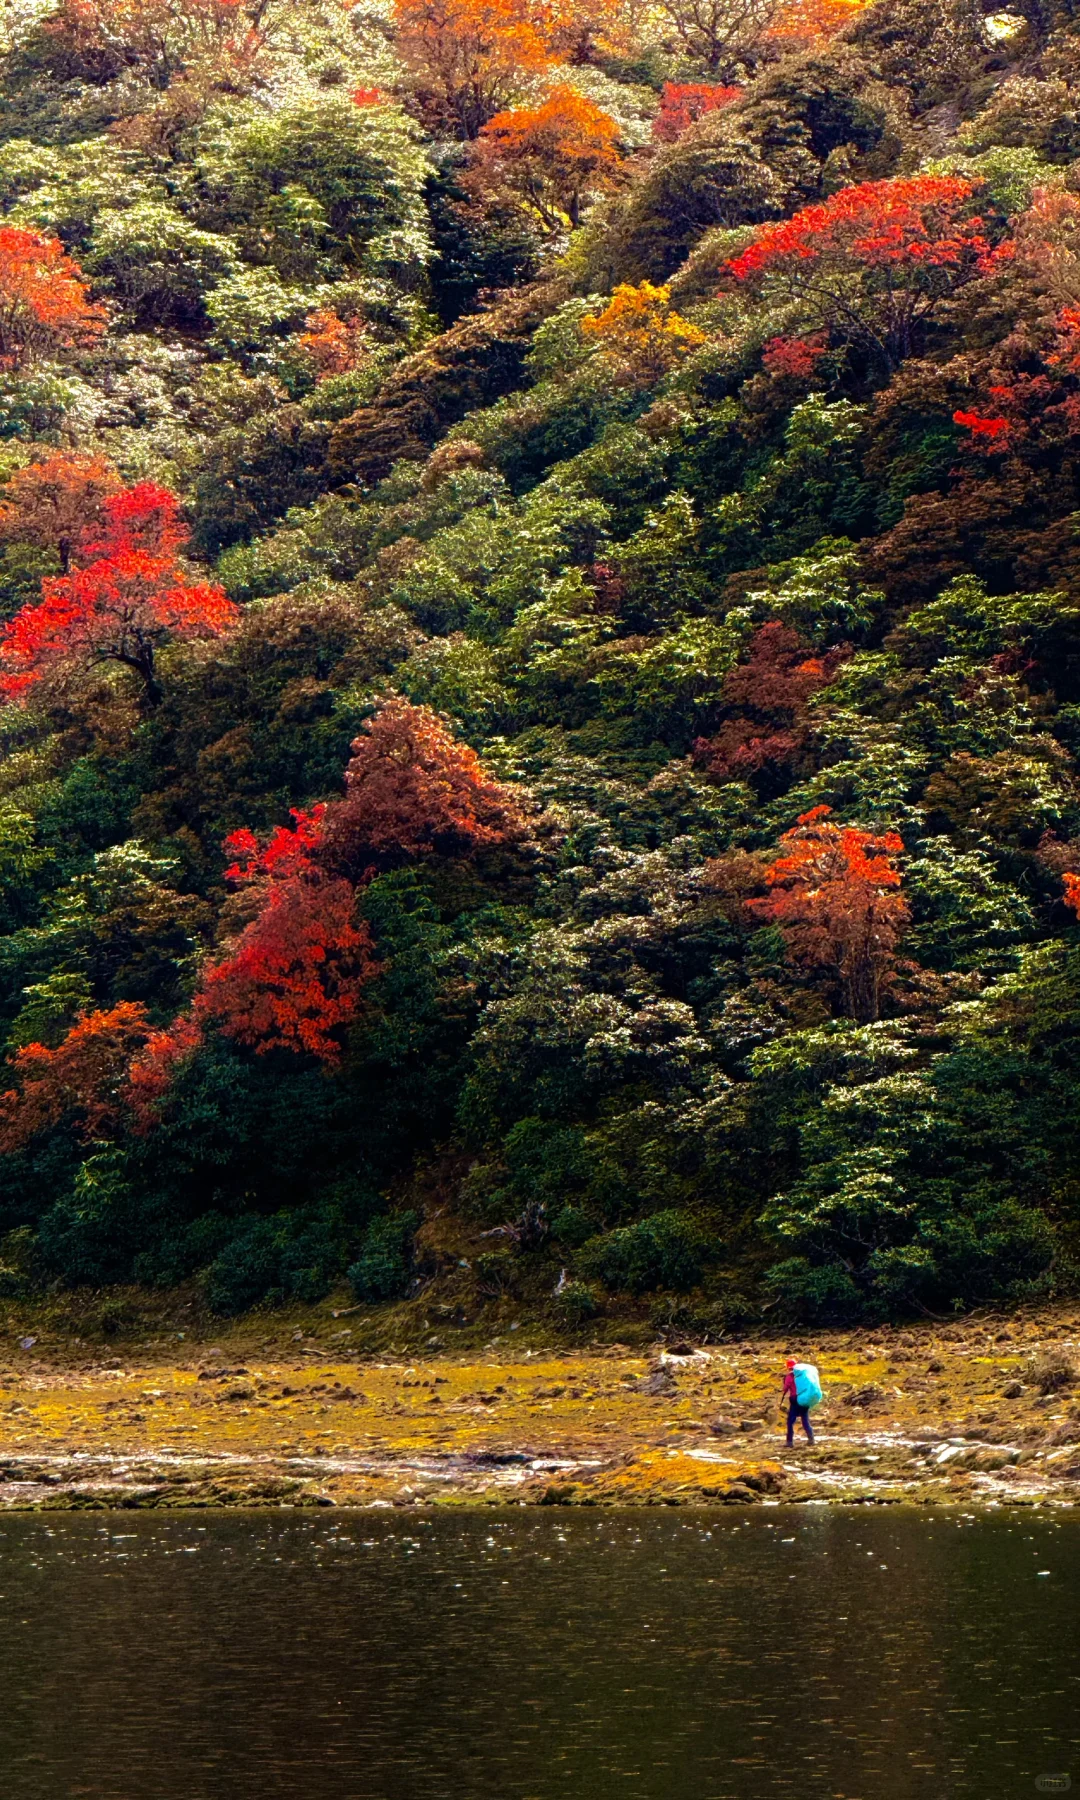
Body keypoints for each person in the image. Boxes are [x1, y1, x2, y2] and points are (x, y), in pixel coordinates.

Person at [781, 1356, 815, 1448]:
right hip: (804, 1399)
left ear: (788, 1367)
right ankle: (811, 1439)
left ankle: (789, 1442)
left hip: (795, 1400)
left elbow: (785, 1388)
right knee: (805, 1420)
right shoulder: (803, 1374)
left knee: (790, 1421)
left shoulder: (789, 1376)